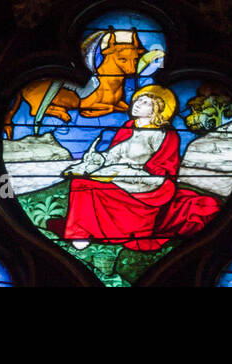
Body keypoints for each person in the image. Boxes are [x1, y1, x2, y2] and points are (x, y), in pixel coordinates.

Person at [60, 85, 220, 251]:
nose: (136, 103)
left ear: (157, 109)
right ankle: (80, 232)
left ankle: (97, 230)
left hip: (144, 184)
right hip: (115, 175)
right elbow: (114, 154)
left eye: (145, 102)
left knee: (86, 185)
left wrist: (130, 174)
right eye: (137, 99)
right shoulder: (128, 127)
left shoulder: (165, 134)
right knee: (79, 182)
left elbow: (163, 169)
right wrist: (97, 158)